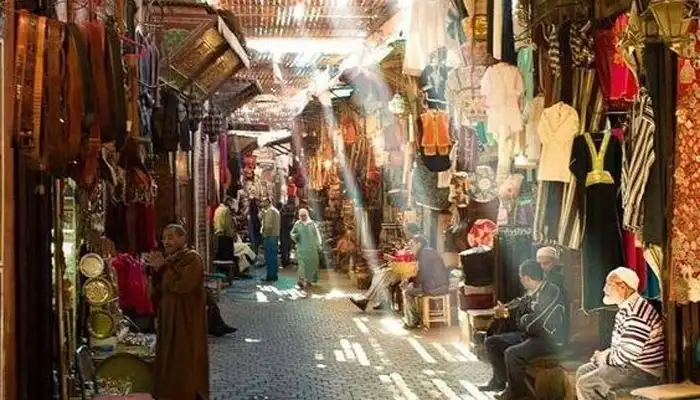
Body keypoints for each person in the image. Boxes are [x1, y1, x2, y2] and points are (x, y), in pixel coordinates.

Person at [479, 260, 566, 400]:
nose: (521, 281)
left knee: (512, 353)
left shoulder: (551, 291)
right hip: (531, 335)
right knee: (492, 342)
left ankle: (517, 394)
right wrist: (505, 309)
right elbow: (519, 304)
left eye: (521, 278)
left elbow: (537, 321)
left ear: (525, 278)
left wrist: (522, 319)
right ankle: (499, 381)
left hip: (548, 339)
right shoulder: (532, 292)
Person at [576, 267, 664, 399]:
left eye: (609, 285)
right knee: (582, 371)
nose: (604, 289)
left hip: (642, 370)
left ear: (623, 287)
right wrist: (604, 355)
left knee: (587, 384)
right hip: (629, 364)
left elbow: (626, 354)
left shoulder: (636, 314)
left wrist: (603, 358)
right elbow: (621, 347)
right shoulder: (627, 307)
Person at [145, 224, 208, 400]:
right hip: (168, 316)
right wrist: (155, 270)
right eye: (164, 237)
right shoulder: (170, 259)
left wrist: (163, 267)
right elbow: (158, 288)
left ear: (183, 239)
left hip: (186, 319)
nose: (167, 241)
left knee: (184, 357)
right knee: (168, 355)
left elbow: (182, 285)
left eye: (172, 237)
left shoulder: (192, 259)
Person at [349, 223, 421, 312]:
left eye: (406, 230)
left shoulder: (415, 241)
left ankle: (367, 299)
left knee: (383, 276)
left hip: (407, 272)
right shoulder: (411, 240)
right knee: (379, 275)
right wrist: (394, 258)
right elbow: (405, 257)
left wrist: (394, 258)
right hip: (401, 268)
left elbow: (409, 259)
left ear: (410, 230)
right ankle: (378, 301)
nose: (404, 232)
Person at [401, 234, 450, 329]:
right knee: (409, 288)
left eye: (411, 244)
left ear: (419, 244)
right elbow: (422, 273)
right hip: (436, 284)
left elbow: (423, 274)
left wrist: (412, 283)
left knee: (407, 292)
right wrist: (410, 280)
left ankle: (412, 321)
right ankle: (415, 318)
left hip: (435, 286)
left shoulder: (424, 253)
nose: (409, 246)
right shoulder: (426, 252)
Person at [536, 246, 570, 345]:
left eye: (546, 263)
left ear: (554, 262)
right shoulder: (543, 276)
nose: (542, 266)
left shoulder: (557, 278)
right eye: (540, 264)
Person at [290, 208, 322, 289]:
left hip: (311, 248)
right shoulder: (297, 224)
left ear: (307, 215)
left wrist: (318, 245)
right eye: (301, 216)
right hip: (301, 248)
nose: (303, 217)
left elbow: (316, 236)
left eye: (304, 215)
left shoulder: (312, 224)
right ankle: (300, 280)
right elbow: (292, 233)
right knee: (302, 265)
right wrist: (295, 237)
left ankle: (309, 280)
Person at [213, 196, 238, 278]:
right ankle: (228, 276)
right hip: (225, 236)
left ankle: (221, 275)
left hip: (218, 235)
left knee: (221, 256)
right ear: (228, 202)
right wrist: (232, 235)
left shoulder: (217, 210)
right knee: (227, 257)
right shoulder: (225, 210)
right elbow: (227, 225)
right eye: (231, 203)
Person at [260, 198, 281, 282]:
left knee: (269, 257)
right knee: (273, 257)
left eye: (263, 202)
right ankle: (273, 275)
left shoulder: (269, 211)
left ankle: (270, 276)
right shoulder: (275, 211)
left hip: (269, 237)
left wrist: (264, 234)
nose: (262, 203)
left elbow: (268, 226)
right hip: (275, 236)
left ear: (267, 202)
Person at [280, 200, 297, 267]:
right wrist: (292, 215)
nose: (293, 207)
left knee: (288, 246)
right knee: (284, 246)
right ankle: (284, 261)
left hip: (287, 231)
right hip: (284, 231)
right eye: (292, 206)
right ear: (289, 205)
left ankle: (287, 260)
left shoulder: (289, 211)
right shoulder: (284, 211)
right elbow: (285, 221)